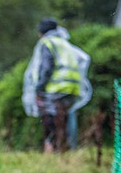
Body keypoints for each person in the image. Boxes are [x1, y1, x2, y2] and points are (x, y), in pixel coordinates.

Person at [22, 18, 91, 153]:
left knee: (51, 120)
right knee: (66, 117)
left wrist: (38, 88)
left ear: (41, 32)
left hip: (55, 88)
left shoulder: (47, 43)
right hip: (72, 89)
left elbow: (46, 68)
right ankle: (70, 148)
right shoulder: (65, 43)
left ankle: (53, 150)